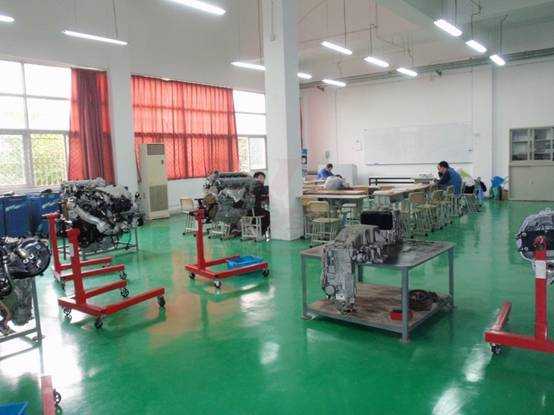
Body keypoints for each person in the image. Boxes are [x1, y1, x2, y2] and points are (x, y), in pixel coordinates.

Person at [252, 171, 270, 236]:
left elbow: (258, 196)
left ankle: (256, 229)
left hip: (249, 210)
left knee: (264, 214)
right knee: (268, 215)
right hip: (254, 210)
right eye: (260, 178)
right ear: (255, 178)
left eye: (263, 178)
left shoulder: (251, 186)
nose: (262, 180)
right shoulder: (258, 186)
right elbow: (262, 194)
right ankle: (261, 233)